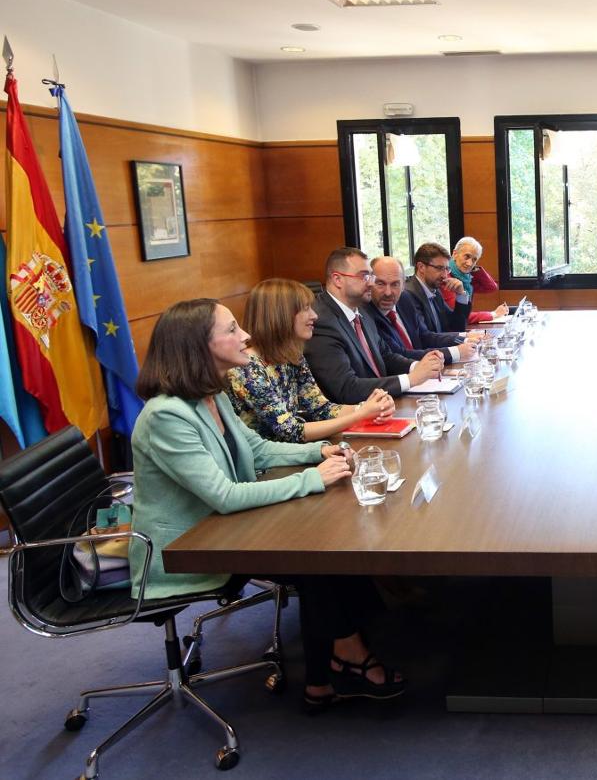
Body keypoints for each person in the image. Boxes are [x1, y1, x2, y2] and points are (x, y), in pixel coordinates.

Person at [130, 298, 405, 710]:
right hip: (185, 547)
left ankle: (346, 650)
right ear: (196, 346)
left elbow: (256, 450)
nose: (245, 336)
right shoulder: (165, 416)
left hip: (222, 526)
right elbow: (222, 495)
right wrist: (310, 480)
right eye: (231, 330)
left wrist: (317, 455)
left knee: (329, 541)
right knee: (315, 558)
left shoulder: (211, 394)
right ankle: (338, 663)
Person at [227, 278, 395, 442]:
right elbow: (290, 431)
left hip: (296, 456)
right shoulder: (247, 368)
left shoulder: (292, 356)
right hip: (269, 466)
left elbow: (320, 408)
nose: (314, 315)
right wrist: (360, 415)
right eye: (306, 308)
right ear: (281, 315)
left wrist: (370, 407)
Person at [304, 247, 444, 404]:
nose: (371, 283)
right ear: (338, 280)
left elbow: (385, 356)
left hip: (384, 406)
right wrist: (411, 379)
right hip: (353, 419)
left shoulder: (361, 310)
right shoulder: (320, 321)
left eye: (371, 276)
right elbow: (346, 388)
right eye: (364, 276)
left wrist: (419, 366)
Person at [367, 255, 477, 364]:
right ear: (369, 282)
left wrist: (465, 340)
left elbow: (425, 335)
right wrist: (455, 352)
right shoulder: (367, 314)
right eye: (380, 284)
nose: (388, 292)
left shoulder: (404, 299)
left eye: (395, 284)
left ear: (403, 284)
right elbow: (400, 355)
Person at [407, 242, 471, 333]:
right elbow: (425, 338)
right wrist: (465, 338)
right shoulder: (409, 295)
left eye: (446, 269)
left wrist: (460, 294)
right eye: (439, 268)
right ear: (421, 267)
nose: (445, 275)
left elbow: (456, 327)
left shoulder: (435, 292)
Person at [443, 236, 509, 325]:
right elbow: (460, 315)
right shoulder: (446, 277)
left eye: (474, 259)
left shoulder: (467, 279)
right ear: (455, 254)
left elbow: (491, 287)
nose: (470, 263)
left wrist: (475, 269)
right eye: (467, 256)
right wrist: (494, 314)